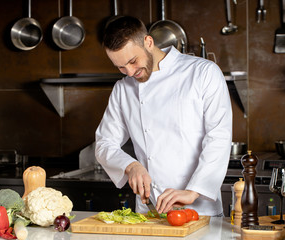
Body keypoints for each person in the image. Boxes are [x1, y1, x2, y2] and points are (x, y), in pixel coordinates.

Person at [95, 16, 233, 217]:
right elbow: (104, 143)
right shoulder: (123, 89)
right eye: (121, 67)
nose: (130, 72)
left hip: (199, 210)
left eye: (133, 61)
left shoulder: (203, 72)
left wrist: (193, 191)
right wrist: (130, 165)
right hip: (149, 211)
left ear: (148, 42)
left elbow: (218, 137)